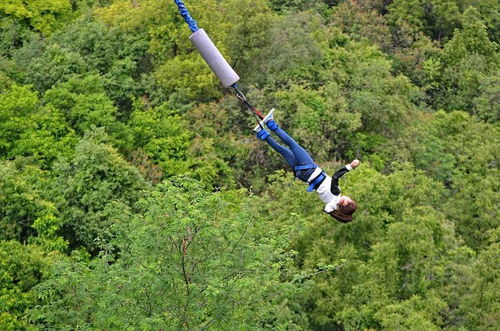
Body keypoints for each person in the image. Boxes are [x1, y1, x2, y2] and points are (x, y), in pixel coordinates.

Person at [255, 116, 360, 223]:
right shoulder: (329, 205)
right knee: (283, 151)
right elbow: (328, 209)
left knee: (292, 144)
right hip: (303, 175)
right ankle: (262, 133)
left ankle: (271, 124)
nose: (349, 197)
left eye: (349, 200)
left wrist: (350, 166)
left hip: (310, 169)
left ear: (345, 203)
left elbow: (335, 176)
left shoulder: (336, 193)